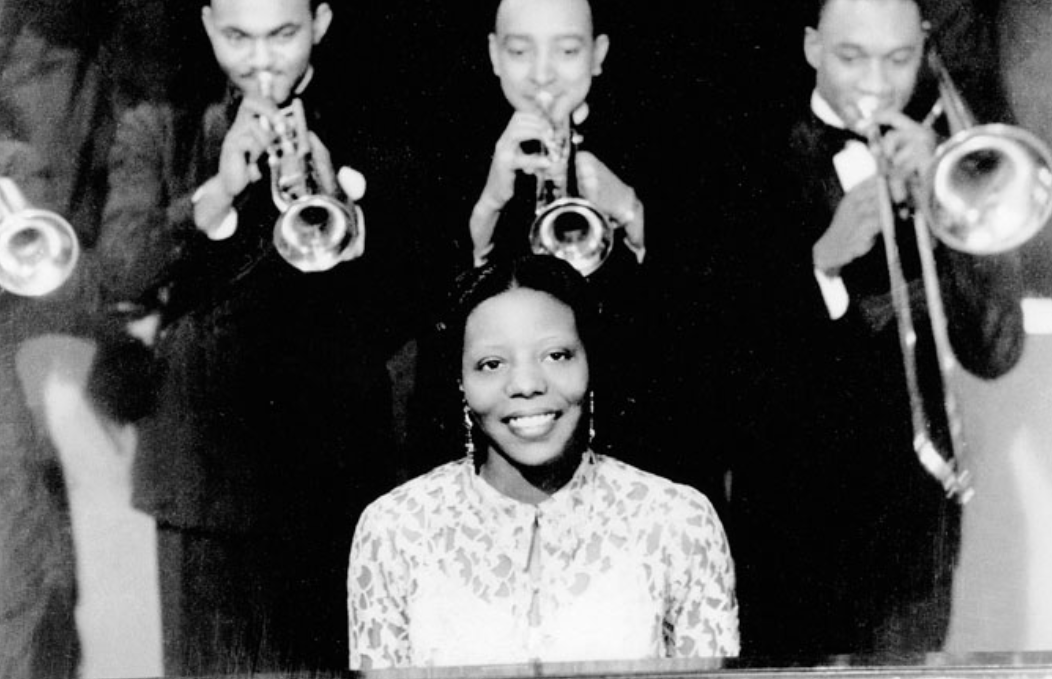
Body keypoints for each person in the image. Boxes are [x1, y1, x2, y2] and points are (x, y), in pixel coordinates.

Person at [95, 0, 433, 673]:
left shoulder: (377, 123)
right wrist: (217, 191)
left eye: (282, 35)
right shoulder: (158, 127)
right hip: (206, 487)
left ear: (323, 24)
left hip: (336, 476)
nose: (260, 61)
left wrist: (342, 201)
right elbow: (121, 271)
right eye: (237, 37)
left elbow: (414, 294)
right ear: (208, 26)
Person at [711, 0, 1026, 660]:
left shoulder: (945, 160)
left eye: (899, 59)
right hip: (788, 526)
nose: (877, 85)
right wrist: (821, 262)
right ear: (811, 48)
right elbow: (724, 365)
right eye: (852, 58)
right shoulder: (744, 157)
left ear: (927, 52)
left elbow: (996, 351)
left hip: (915, 533)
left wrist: (948, 204)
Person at [347, 255, 740, 669]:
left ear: (590, 361)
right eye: (492, 364)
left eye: (556, 355)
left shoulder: (680, 521)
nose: (527, 385)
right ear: (460, 381)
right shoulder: (393, 530)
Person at [410, 0, 655, 476]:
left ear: (597, 54)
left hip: (632, 442)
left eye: (566, 50)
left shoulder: (656, 138)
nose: (543, 75)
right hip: (489, 453)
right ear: (495, 55)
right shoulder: (439, 151)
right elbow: (424, 330)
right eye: (521, 52)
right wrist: (488, 207)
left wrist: (630, 210)